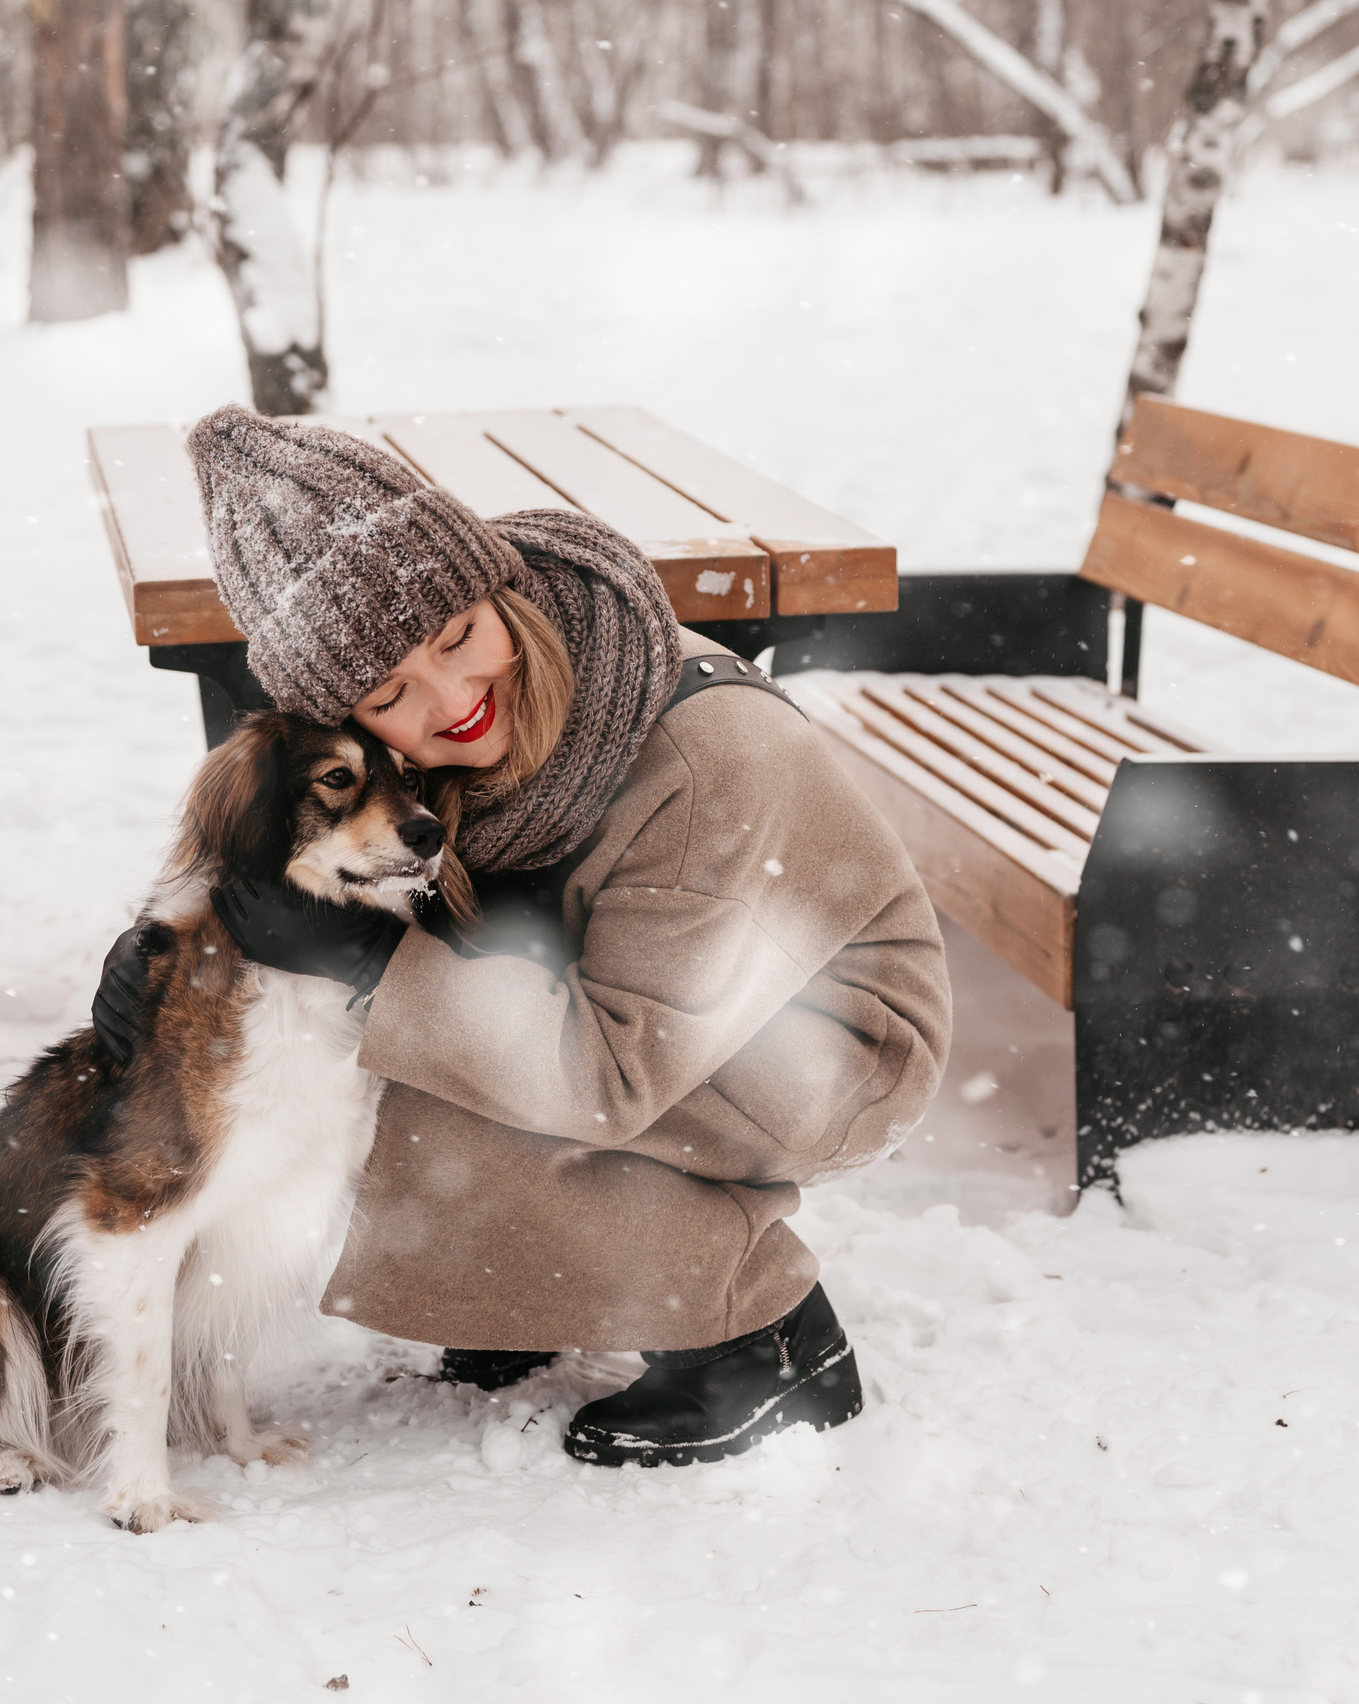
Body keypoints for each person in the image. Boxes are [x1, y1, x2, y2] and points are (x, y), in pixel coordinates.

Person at [92, 406, 952, 1468]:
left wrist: (373, 968)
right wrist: (177, 947)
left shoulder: (701, 760)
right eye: (389, 693)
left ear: (496, 586)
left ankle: (763, 1342)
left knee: (423, 1070)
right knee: (374, 1044)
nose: (450, 700)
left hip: (816, 1048)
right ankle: (523, 1300)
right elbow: (288, 829)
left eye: (457, 638)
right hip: (645, 997)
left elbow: (610, 1071)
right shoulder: (438, 743)